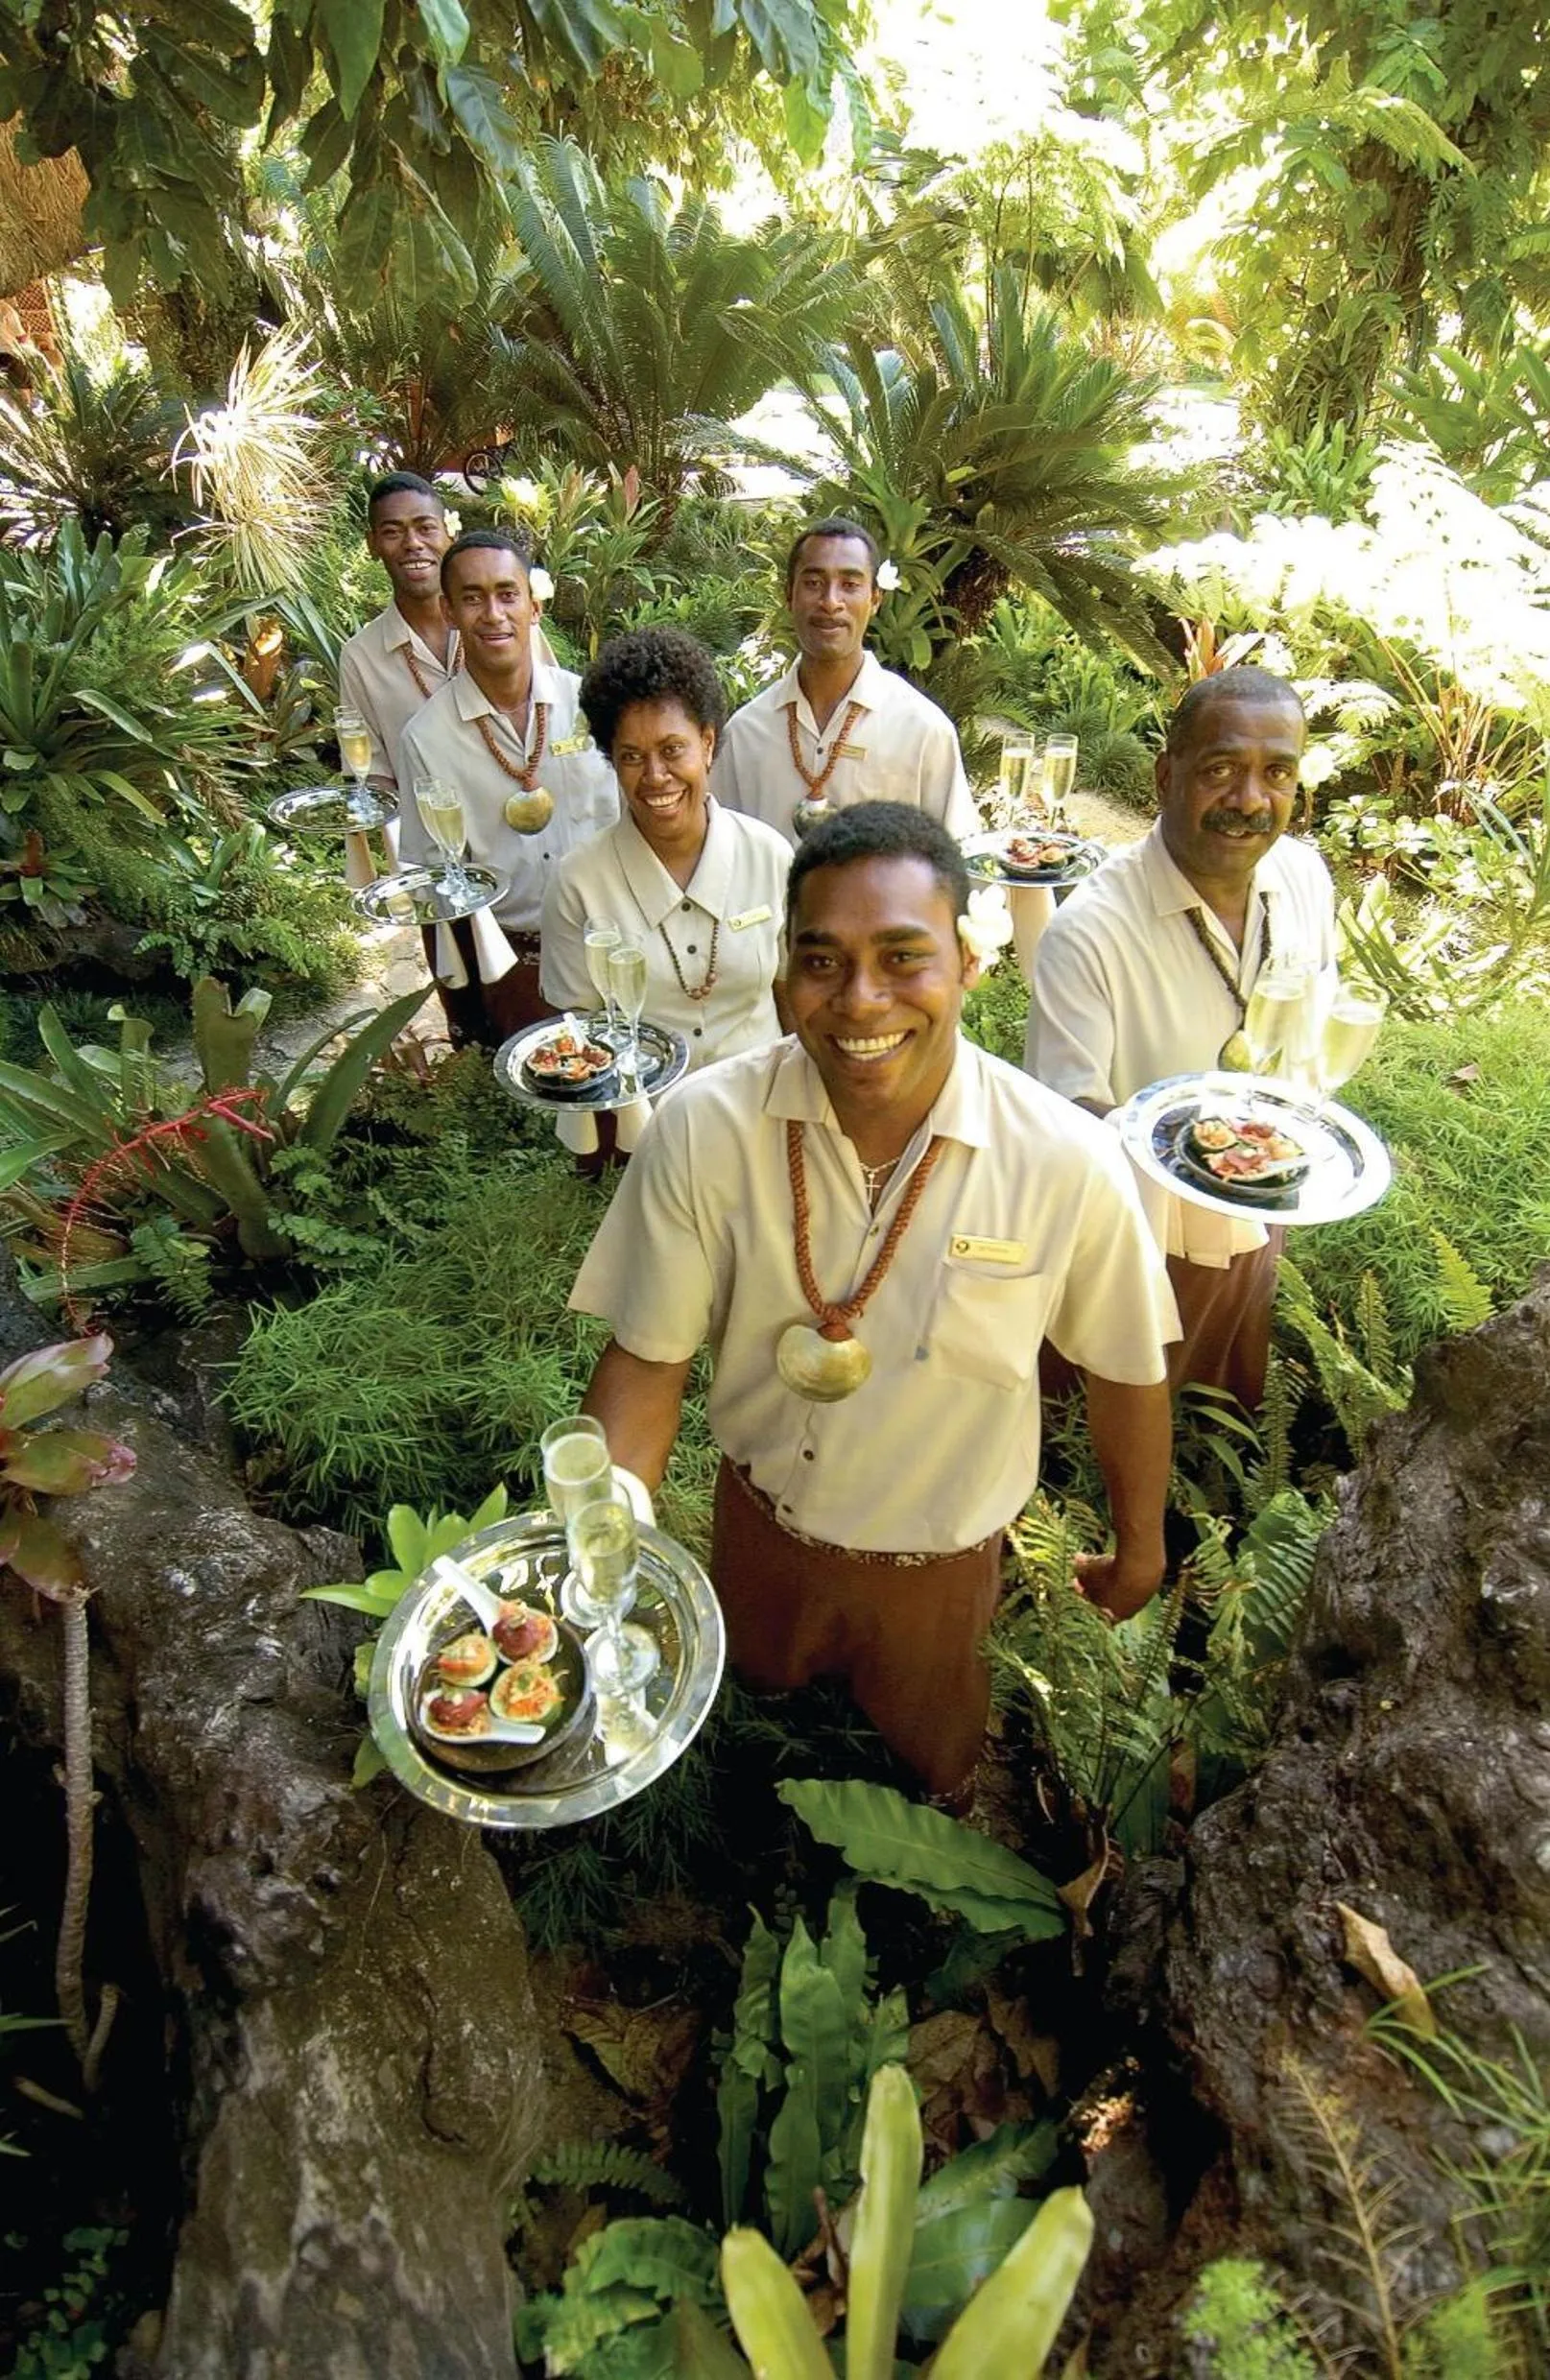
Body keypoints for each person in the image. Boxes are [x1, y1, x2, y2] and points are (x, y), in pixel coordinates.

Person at [569, 803, 1178, 1808]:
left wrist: (1140, 1547)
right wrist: (602, 1539)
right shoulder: (703, 1130)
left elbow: (1124, 1366)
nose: (860, 999)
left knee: (927, 1780)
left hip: (940, 1573)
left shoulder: (1066, 1163)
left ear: (968, 963)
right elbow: (646, 1358)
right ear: (782, 979)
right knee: (754, 1751)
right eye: (822, 961)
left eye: (902, 957)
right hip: (758, 1535)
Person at [1025, 666, 1337, 1412]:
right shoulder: (1089, 932)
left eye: (1276, 773)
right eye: (1220, 769)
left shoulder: (1302, 877)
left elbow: (1311, 1039)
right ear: (1167, 775)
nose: (1249, 800)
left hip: (1262, 1214)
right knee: (1093, 1432)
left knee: (1224, 1420)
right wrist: (1186, 1156)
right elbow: (1062, 1119)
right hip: (1134, 1251)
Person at [540, 628, 791, 1154]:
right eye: (632, 756)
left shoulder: (770, 856)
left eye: (673, 749)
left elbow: (793, 999)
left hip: (767, 1122)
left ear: (708, 743)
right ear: (611, 760)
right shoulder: (578, 882)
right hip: (645, 1139)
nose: (656, 776)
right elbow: (578, 1037)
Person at [398, 529, 619, 1044]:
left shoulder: (590, 704)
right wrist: (465, 1008)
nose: (493, 614)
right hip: (514, 966)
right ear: (450, 612)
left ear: (533, 607)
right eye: (473, 598)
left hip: (612, 943)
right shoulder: (427, 738)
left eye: (507, 594)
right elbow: (436, 885)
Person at [712, 516, 981, 848]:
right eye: (813, 583)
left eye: (850, 585)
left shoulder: (923, 731)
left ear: (875, 599)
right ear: (789, 595)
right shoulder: (745, 735)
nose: (830, 601)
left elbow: (962, 856)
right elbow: (719, 852)